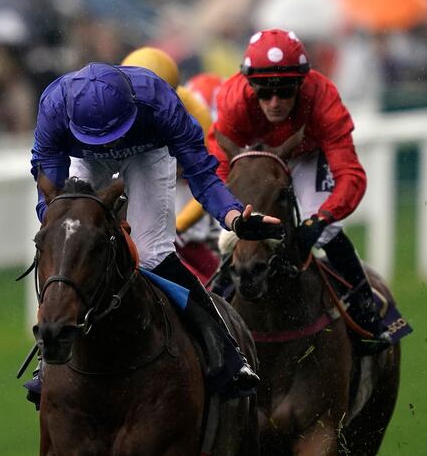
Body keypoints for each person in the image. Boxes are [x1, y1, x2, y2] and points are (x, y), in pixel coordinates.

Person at [30, 61, 283, 396]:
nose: (109, 146)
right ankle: (47, 360)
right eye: (101, 139)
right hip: (84, 159)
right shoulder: (54, 107)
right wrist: (62, 230)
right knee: (71, 246)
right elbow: (51, 193)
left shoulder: (159, 104)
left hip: (147, 154)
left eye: (114, 137)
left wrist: (234, 218)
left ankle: (225, 353)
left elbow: (202, 175)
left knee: (151, 254)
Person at [206, 28, 390, 351]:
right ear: (250, 86)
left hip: (307, 155)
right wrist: (228, 213)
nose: (274, 103)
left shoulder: (324, 99)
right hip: (254, 157)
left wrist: (322, 218)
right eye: (264, 93)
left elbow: (350, 174)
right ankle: (215, 306)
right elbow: (218, 167)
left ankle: (366, 312)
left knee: (325, 231)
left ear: (301, 84)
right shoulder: (233, 100)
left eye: (285, 91)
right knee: (231, 235)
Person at [120, 47, 220, 280]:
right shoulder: (116, 109)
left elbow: (212, 177)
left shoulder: (196, 113)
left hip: (191, 209)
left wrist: (179, 227)